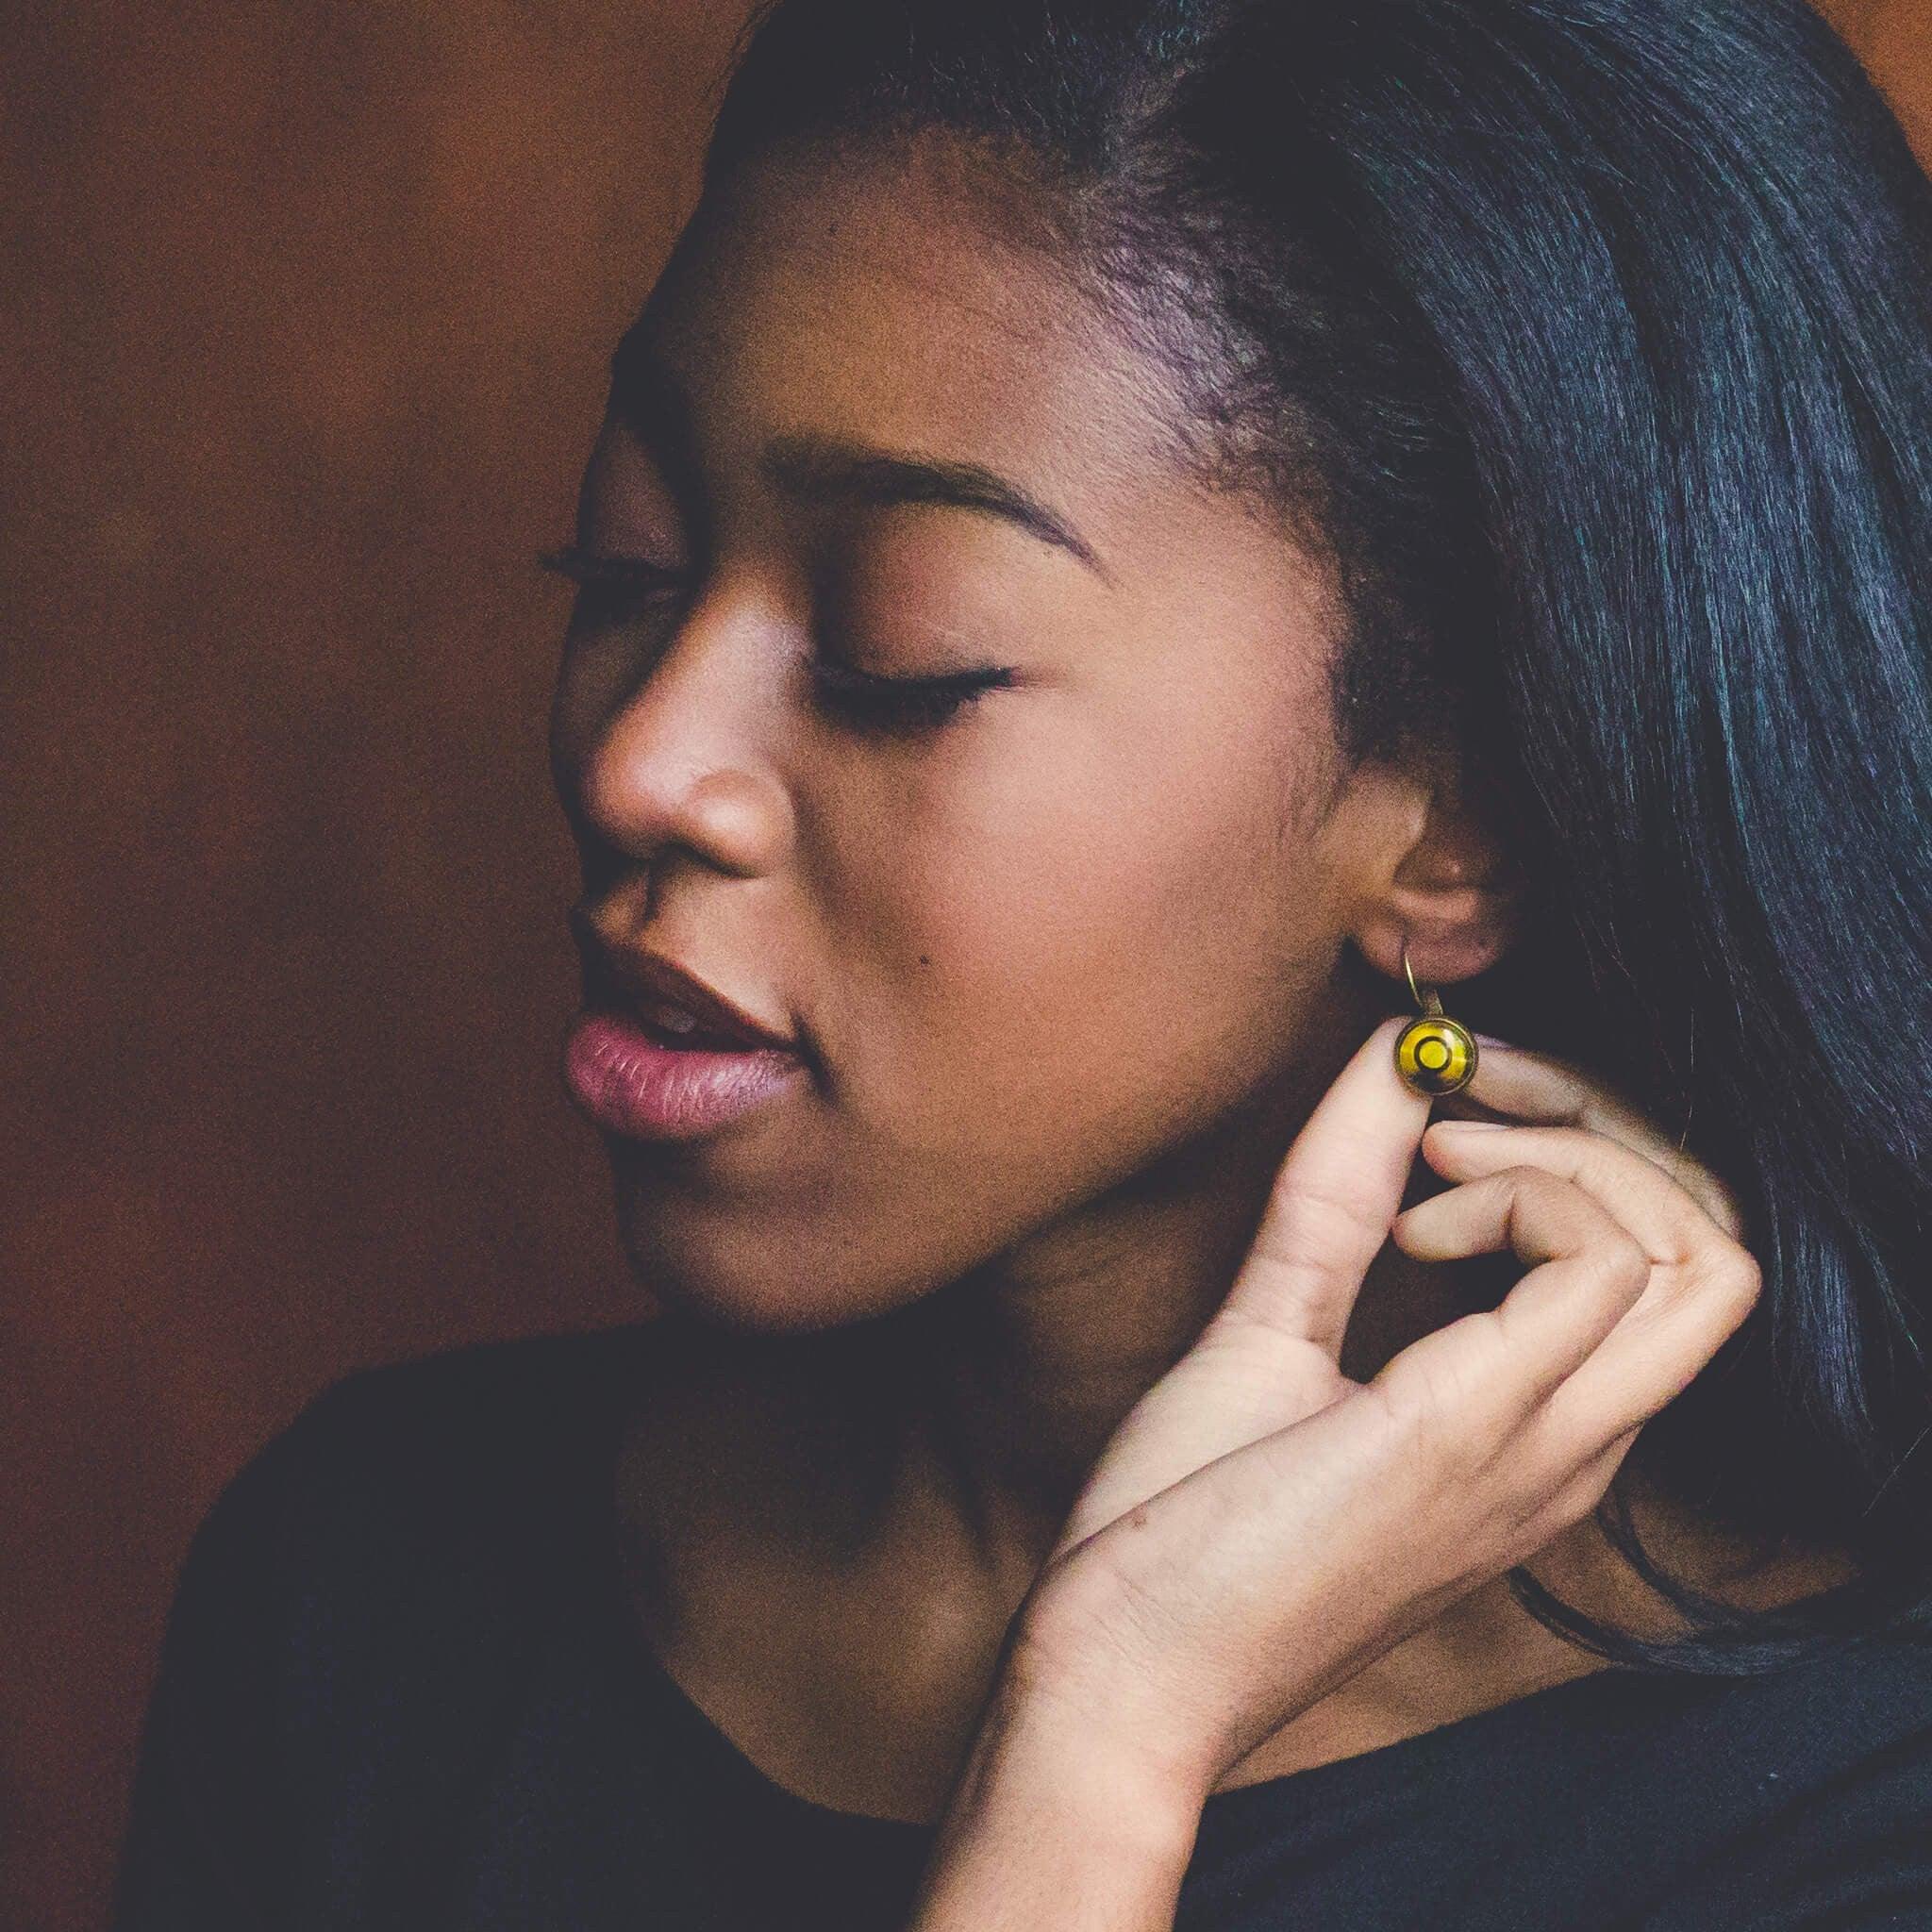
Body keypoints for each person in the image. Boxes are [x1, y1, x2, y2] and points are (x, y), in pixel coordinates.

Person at [111, 0, 1932, 1925]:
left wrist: (1117, 1719)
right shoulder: (370, 1586)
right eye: (625, 568)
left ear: (1457, 814)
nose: (641, 760)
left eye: (901, 658)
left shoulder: (1848, 1816)